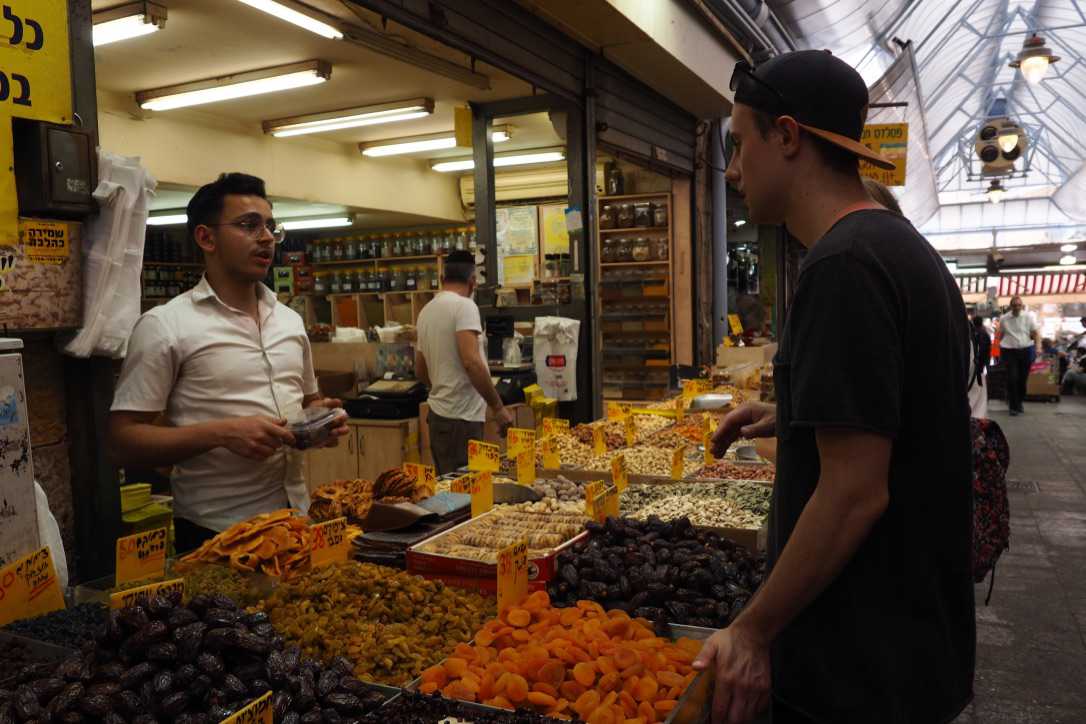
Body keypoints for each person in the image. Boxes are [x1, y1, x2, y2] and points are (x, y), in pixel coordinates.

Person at [696, 51, 974, 724]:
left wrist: (751, 631)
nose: (731, 172)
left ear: (787, 136)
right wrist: (792, 414)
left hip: (860, 667)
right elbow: (896, 418)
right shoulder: (900, 249)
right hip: (912, 648)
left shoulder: (843, 266)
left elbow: (854, 492)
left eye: (739, 145)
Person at [109, 173, 348, 553]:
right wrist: (222, 434)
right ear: (206, 238)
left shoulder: (289, 320)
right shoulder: (165, 326)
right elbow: (124, 441)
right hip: (215, 532)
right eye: (249, 225)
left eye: (271, 226)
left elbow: (308, 403)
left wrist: (320, 421)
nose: (267, 237)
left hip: (295, 518)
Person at [416, 250, 514, 474]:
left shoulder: (426, 311)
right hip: (461, 419)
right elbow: (472, 362)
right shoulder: (465, 306)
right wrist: (498, 407)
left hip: (439, 417)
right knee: (467, 493)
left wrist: (443, 383)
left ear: (443, 279)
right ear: (472, 282)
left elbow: (420, 369)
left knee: (449, 490)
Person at [997, 296, 1040, 416]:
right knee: (1012, 378)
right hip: (1009, 350)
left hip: (1026, 350)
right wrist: (997, 350)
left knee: (1022, 380)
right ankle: (1013, 406)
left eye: (1018, 305)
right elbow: (1001, 334)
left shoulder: (1028, 317)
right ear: (1010, 306)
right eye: (1014, 305)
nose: (1016, 307)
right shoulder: (1004, 319)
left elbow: (1035, 333)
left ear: (1022, 306)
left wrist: (1038, 348)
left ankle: (1019, 401)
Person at [970, 315, 991, 418]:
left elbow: (982, 348)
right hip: (982, 360)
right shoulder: (983, 331)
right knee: (979, 377)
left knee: (978, 378)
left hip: (979, 360)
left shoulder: (977, 332)